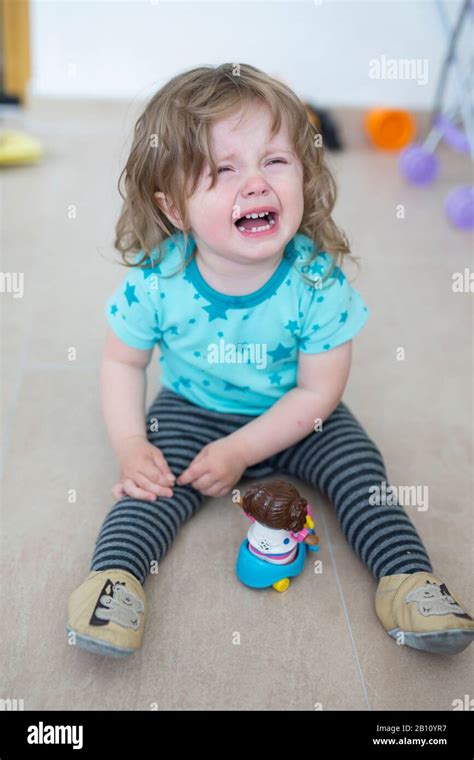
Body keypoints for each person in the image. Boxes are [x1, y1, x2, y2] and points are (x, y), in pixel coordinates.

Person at [66, 63, 473, 659]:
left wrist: (239, 452)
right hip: (191, 409)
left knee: (365, 476)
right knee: (147, 487)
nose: (255, 184)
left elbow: (317, 395)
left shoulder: (317, 281)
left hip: (301, 415)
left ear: (304, 175)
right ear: (174, 209)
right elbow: (122, 364)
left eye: (274, 162)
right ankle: (113, 582)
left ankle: (408, 579)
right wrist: (131, 444)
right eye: (223, 170)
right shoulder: (158, 281)